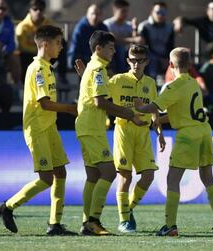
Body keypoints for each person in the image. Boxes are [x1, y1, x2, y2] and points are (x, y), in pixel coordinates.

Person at [0, 25, 77, 236]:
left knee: (61, 173)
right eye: (58, 42)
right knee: (46, 179)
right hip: (37, 129)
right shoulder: (38, 69)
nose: (61, 47)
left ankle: (54, 224)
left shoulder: (48, 67)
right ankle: (8, 206)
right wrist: (70, 108)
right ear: (45, 44)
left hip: (49, 127)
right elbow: (45, 104)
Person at [135, 47, 213, 236]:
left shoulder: (172, 86)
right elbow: (183, 111)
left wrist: (140, 107)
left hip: (188, 135)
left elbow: (156, 106)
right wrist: (159, 120)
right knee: (208, 177)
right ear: (190, 65)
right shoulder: (193, 83)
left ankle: (170, 225)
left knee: (172, 179)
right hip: (204, 131)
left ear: (170, 65)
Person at [75, 31, 147, 236]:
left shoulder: (94, 68)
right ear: (99, 49)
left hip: (88, 128)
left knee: (93, 175)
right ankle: (93, 221)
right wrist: (129, 113)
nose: (114, 51)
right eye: (111, 48)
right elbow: (100, 101)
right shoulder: (98, 69)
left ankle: (86, 222)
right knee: (108, 172)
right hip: (91, 129)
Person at [110, 45, 165, 233]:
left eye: (140, 60)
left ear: (146, 62)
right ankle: (124, 220)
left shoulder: (150, 83)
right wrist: (85, 76)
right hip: (124, 130)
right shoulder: (117, 80)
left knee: (148, 175)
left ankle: (128, 208)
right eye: (132, 60)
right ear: (127, 61)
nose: (136, 64)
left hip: (143, 133)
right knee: (125, 176)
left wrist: (160, 133)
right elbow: (99, 93)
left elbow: (154, 110)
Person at [16, 0, 68, 85]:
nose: (38, 12)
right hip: (28, 57)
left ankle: (62, 77)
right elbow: (22, 48)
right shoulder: (22, 27)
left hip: (45, 56)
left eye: (41, 9)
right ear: (30, 11)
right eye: (35, 9)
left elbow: (58, 40)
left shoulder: (49, 24)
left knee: (62, 43)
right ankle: (24, 82)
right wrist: (40, 50)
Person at [103, 0, 143, 74]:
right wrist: (132, 39)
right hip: (112, 53)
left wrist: (135, 28)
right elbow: (113, 38)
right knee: (120, 48)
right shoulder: (107, 24)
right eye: (123, 11)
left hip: (126, 54)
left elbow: (137, 41)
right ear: (115, 11)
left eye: (127, 11)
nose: (126, 14)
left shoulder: (129, 25)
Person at [138, 1, 174, 80]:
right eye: (158, 12)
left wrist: (168, 58)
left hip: (165, 57)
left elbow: (170, 46)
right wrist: (160, 59)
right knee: (152, 60)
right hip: (150, 56)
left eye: (163, 13)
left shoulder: (169, 27)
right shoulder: (144, 26)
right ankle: (152, 84)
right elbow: (145, 47)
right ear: (152, 12)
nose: (160, 15)